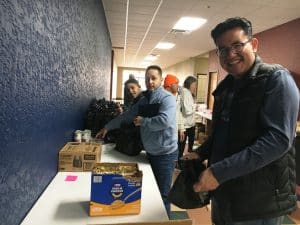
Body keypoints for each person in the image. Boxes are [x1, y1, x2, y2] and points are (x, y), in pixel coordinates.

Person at [183, 17, 299, 225]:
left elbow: (278, 140)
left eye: (237, 45)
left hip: (258, 202)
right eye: (222, 49)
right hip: (224, 193)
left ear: (253, 44)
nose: (230, 54)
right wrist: (201, 153)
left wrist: (219, 171)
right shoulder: (226, 87)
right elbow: (221, 133)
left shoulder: (276, 79)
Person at [96, 65, 178, 218]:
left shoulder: (167, 99)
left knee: (163, 195)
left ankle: (165, 220)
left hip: (165, 155)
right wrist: (107, 127)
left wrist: (143, 121)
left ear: (160, 79)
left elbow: (164, 121)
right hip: (150, 152)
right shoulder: (145, 99)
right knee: (152, 192)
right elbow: (127, 116)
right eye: (147, 79)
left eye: (153, 78)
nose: (150, 82)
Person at [163, 74, 186, 161]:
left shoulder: (176, 96)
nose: (178, 86)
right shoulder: (162, 96)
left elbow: (178, 113)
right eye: (176, 83)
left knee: (173, 153)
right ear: (169, 85)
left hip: (174, 131)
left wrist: (181, 128)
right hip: (164, 132)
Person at [180, 76, 197, 153]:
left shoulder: (189, 93)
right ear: (189, 84)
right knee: (182, 146)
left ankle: (188, 161)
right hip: (186, 125)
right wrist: (195, 106)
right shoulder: (185, 92)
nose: (195, 87)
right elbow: (187, 111)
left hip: (191, 125)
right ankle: (180, 163)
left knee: (190, 146)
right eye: (194, 85)